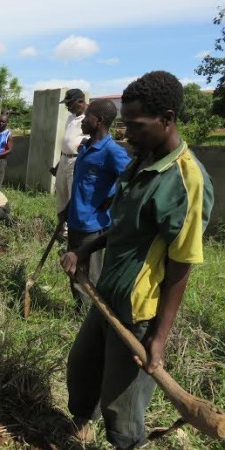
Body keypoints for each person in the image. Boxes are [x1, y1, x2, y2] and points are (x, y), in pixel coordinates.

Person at [59, 71, 213, 449]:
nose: (127, 132)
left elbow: (182, 264)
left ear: (168, 118)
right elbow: (124, 226)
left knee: (122, 409)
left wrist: (158, 338)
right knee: (82, 369)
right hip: (106, 296)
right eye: (124, 123)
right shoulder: (141, 161)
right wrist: (84, 250)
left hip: (138, 312)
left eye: (136, 124)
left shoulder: (186, 180)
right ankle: (81, 426)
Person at [62, 99, 130, 311]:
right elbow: (82, 184)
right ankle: (78, 311)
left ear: (99, 120)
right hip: (75, 219)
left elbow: (131, 179)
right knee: (73, 270)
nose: (83, 119)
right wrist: (68, 209)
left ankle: (89, 318)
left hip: (92, 225)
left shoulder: (112, 151)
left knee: (90, 278)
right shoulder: (85, 147)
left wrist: (110, 199)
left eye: (88, 115)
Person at [55, 89, 89, 222]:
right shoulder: (70, 117)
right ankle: (62, 227)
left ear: (80, 102)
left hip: (76, 161)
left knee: (72, 196)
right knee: (61, 193)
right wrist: (59, 163)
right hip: (64, 159)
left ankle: (71, 229)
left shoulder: (89, 118)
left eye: (69, 103)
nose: (67, 107)